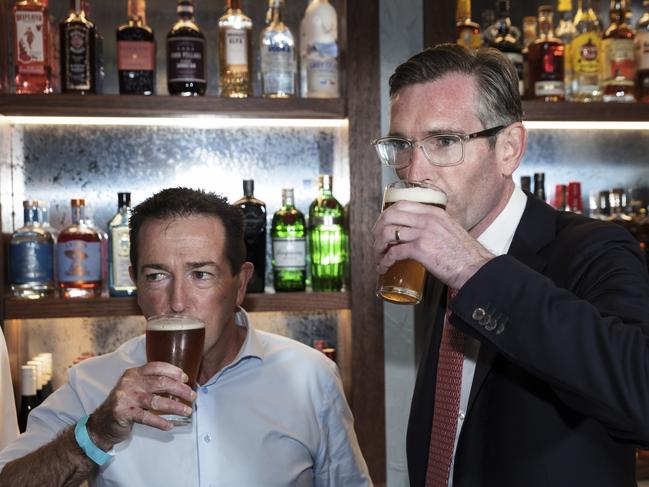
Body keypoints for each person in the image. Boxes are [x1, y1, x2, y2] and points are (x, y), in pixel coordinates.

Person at [372, 44, 649, 487]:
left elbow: (641, 398)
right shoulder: (434, 263)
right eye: (403, 145)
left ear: (509, 148)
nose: (414, 170)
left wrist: (474, 270)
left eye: (444, 142)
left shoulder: (595, 249)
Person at [0, 187, 371, 486]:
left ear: (240, 284)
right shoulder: (93, 383)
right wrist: (95, 433)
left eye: (201, 275)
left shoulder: (310, 376)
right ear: (137, 285)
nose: (177, 302)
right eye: (157, 275)